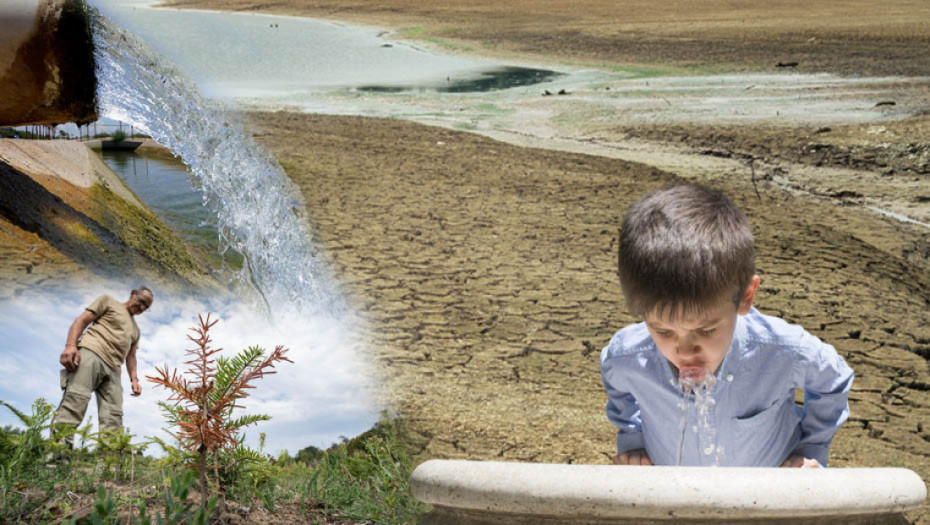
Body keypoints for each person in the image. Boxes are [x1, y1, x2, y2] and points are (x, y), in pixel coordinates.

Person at [601, 184, 853, 467]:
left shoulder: (782, 351)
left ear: (745, 297)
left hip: (766, 498)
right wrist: (632, 438)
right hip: (677, 501)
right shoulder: (629, 357)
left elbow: (834, 379)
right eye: (663, 331)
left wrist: (810, 448)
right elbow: (617, 382)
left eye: (706, 330)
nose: (684, 350)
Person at [51, 287, 153, 447]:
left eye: (146, 307)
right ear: (133, 294)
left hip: (114, 370)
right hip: (92, 353)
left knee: (113, 418)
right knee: (75, 404)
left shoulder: (136, 330)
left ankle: (107, 469)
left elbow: (131, 356)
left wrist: (134, 379)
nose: (142, 308)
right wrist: (70, 345)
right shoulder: (108, 301)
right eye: (141, 302)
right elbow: (81, 321)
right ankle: (56, 465)